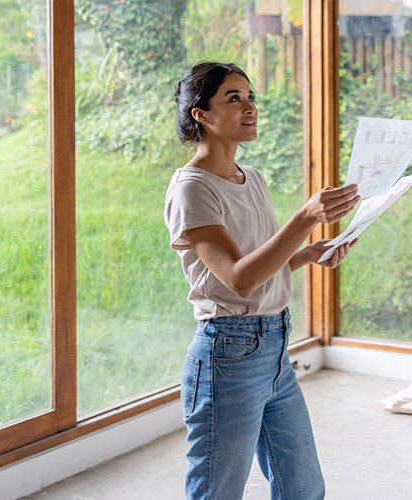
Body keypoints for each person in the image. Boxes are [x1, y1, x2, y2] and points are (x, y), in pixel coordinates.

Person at [164, 61, 359, 500]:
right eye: (234, 98)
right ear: (203, 115)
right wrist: (307, 217)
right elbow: (239, 279)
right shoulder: (191, 188)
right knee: (217, 493)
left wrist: (306, 254)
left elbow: (258, 264)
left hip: (274, 348)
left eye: (251, 97)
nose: (250, 107)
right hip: (227, 356)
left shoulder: (253, 180)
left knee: (304, 489)